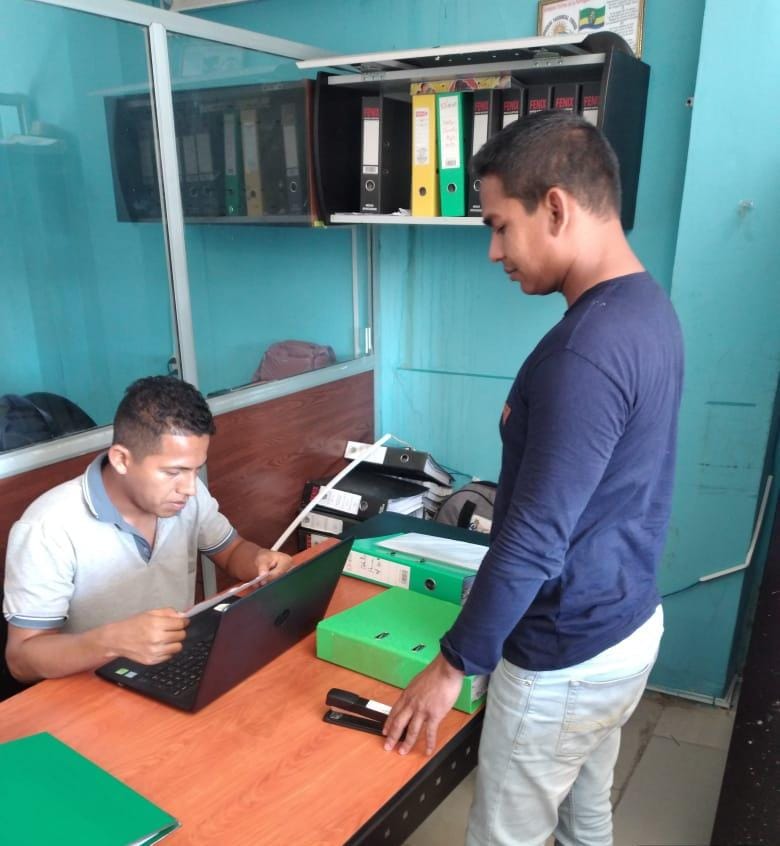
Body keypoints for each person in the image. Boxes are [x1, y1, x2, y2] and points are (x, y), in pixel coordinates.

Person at [383, 110, 684, 846]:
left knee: (505, 836)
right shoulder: (648, 308)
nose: (494, 252)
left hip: (564, 653)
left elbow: (534, 539)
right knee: (586, 811)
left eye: (499, 226)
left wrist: (452, 664)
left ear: (555, 207)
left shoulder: (584, 353)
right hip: (626, 622)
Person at [3, 375, 291, 683]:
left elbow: (232, 552)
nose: (190, 488)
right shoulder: (47, 527)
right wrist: (112, 641)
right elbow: (21, 659)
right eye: (173, 471)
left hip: (173, 668)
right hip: (91, 688)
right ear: (121, 460)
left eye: (196, 469)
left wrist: (258, 560)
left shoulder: (186, 496)